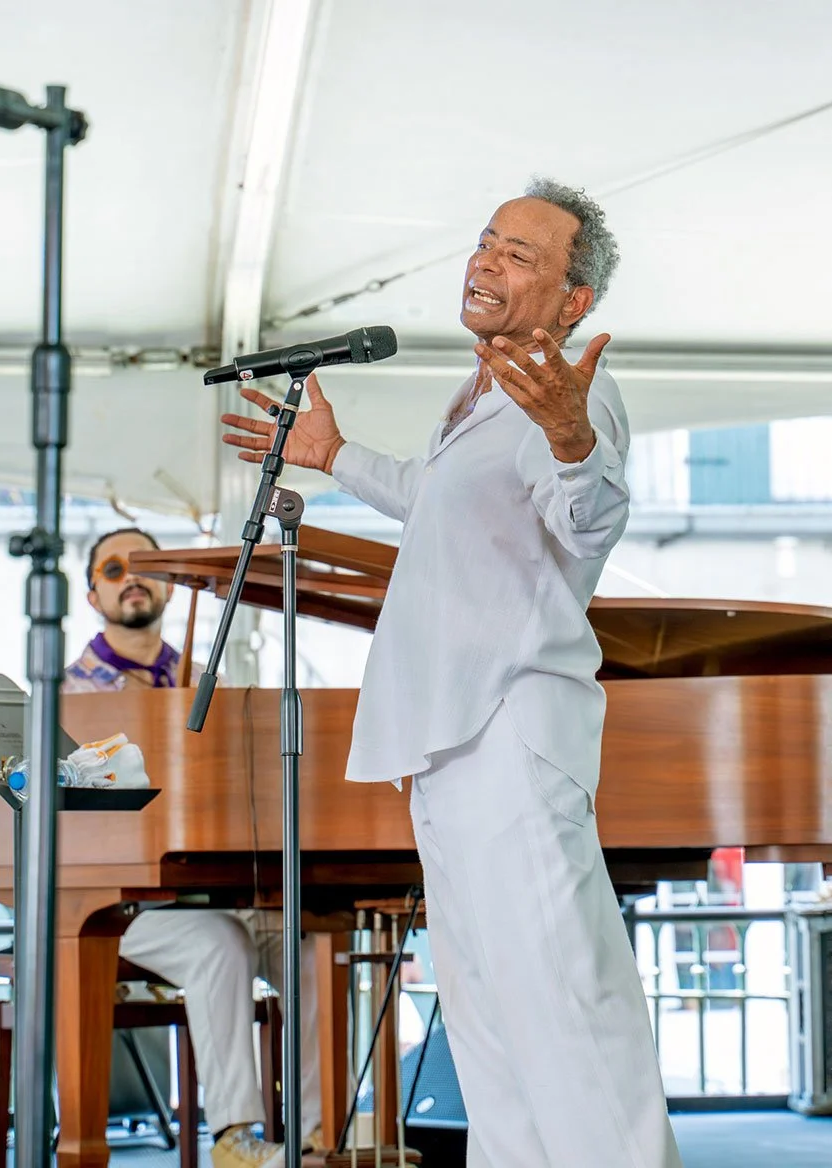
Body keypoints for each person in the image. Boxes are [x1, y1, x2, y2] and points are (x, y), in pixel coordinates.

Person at [222, 178, 684, 1168]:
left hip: (509, 733)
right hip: (449, 741)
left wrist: (572, 440)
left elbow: (588, 521)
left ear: (573, 301)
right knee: (486, 1019)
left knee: (563, 1004)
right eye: (485, 242)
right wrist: (334, 455)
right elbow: (438, 500)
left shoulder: (572, 395)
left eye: (520, 255)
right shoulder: (480, 392)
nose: (485, 262)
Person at [63, 526, 323, 1168]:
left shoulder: (207, 685)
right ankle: (235, 1137)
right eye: (115, 568)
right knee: (219, 943)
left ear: (170, 588)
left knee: (310, 948)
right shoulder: (67, 693)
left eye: (145, 567)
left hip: (208, 891)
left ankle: (320, 1135)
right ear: (93, 595)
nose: (132, 578)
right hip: (114, 907)